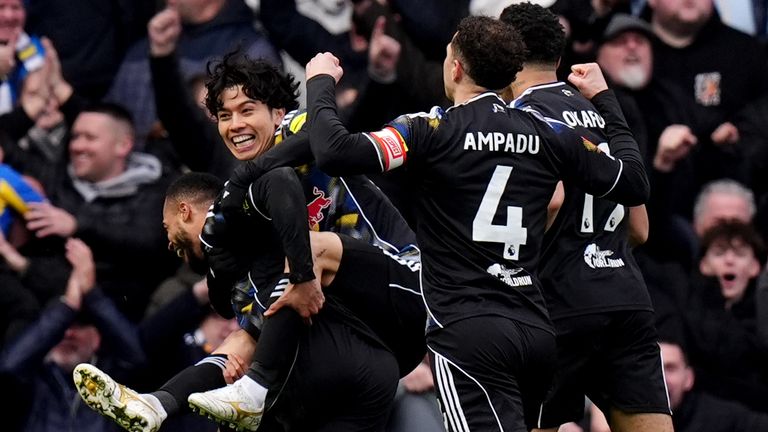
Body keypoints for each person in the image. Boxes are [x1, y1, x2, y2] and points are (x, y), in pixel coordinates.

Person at [227, 15, 647, 431]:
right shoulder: (549, 131)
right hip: (535, 331)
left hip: (467, 330)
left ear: (456, 68)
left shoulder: (432, 129)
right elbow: (634, 184)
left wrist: (320, 82)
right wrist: (605, 101)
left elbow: (336, 152)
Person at [75, 171, 425, 432]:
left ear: (184, 211)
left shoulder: (238, 206)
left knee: (311, 249)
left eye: (167, 228)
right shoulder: (237, 271)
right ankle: (159, 402)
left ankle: (251, 389)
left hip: (403, 288)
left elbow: (283, 178)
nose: (169, 243)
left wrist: (319, 81)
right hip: (367, 364)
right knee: (243, 342)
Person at [499, 4, 671, 432]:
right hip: (626, 295)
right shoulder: (602, 110)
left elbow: (552, 199)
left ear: (502, 57)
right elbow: (640, 229)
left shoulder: (518, 117)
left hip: (558, 303)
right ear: (558, 59)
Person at [0, 238, 146, 432]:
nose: (68, 333)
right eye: (60, 327)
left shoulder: (114, 383)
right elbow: (9, 368)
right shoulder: (33, 380)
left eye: (78, 325)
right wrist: (67, 306)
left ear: (97, 338)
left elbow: (136, 356)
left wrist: (92, 295)